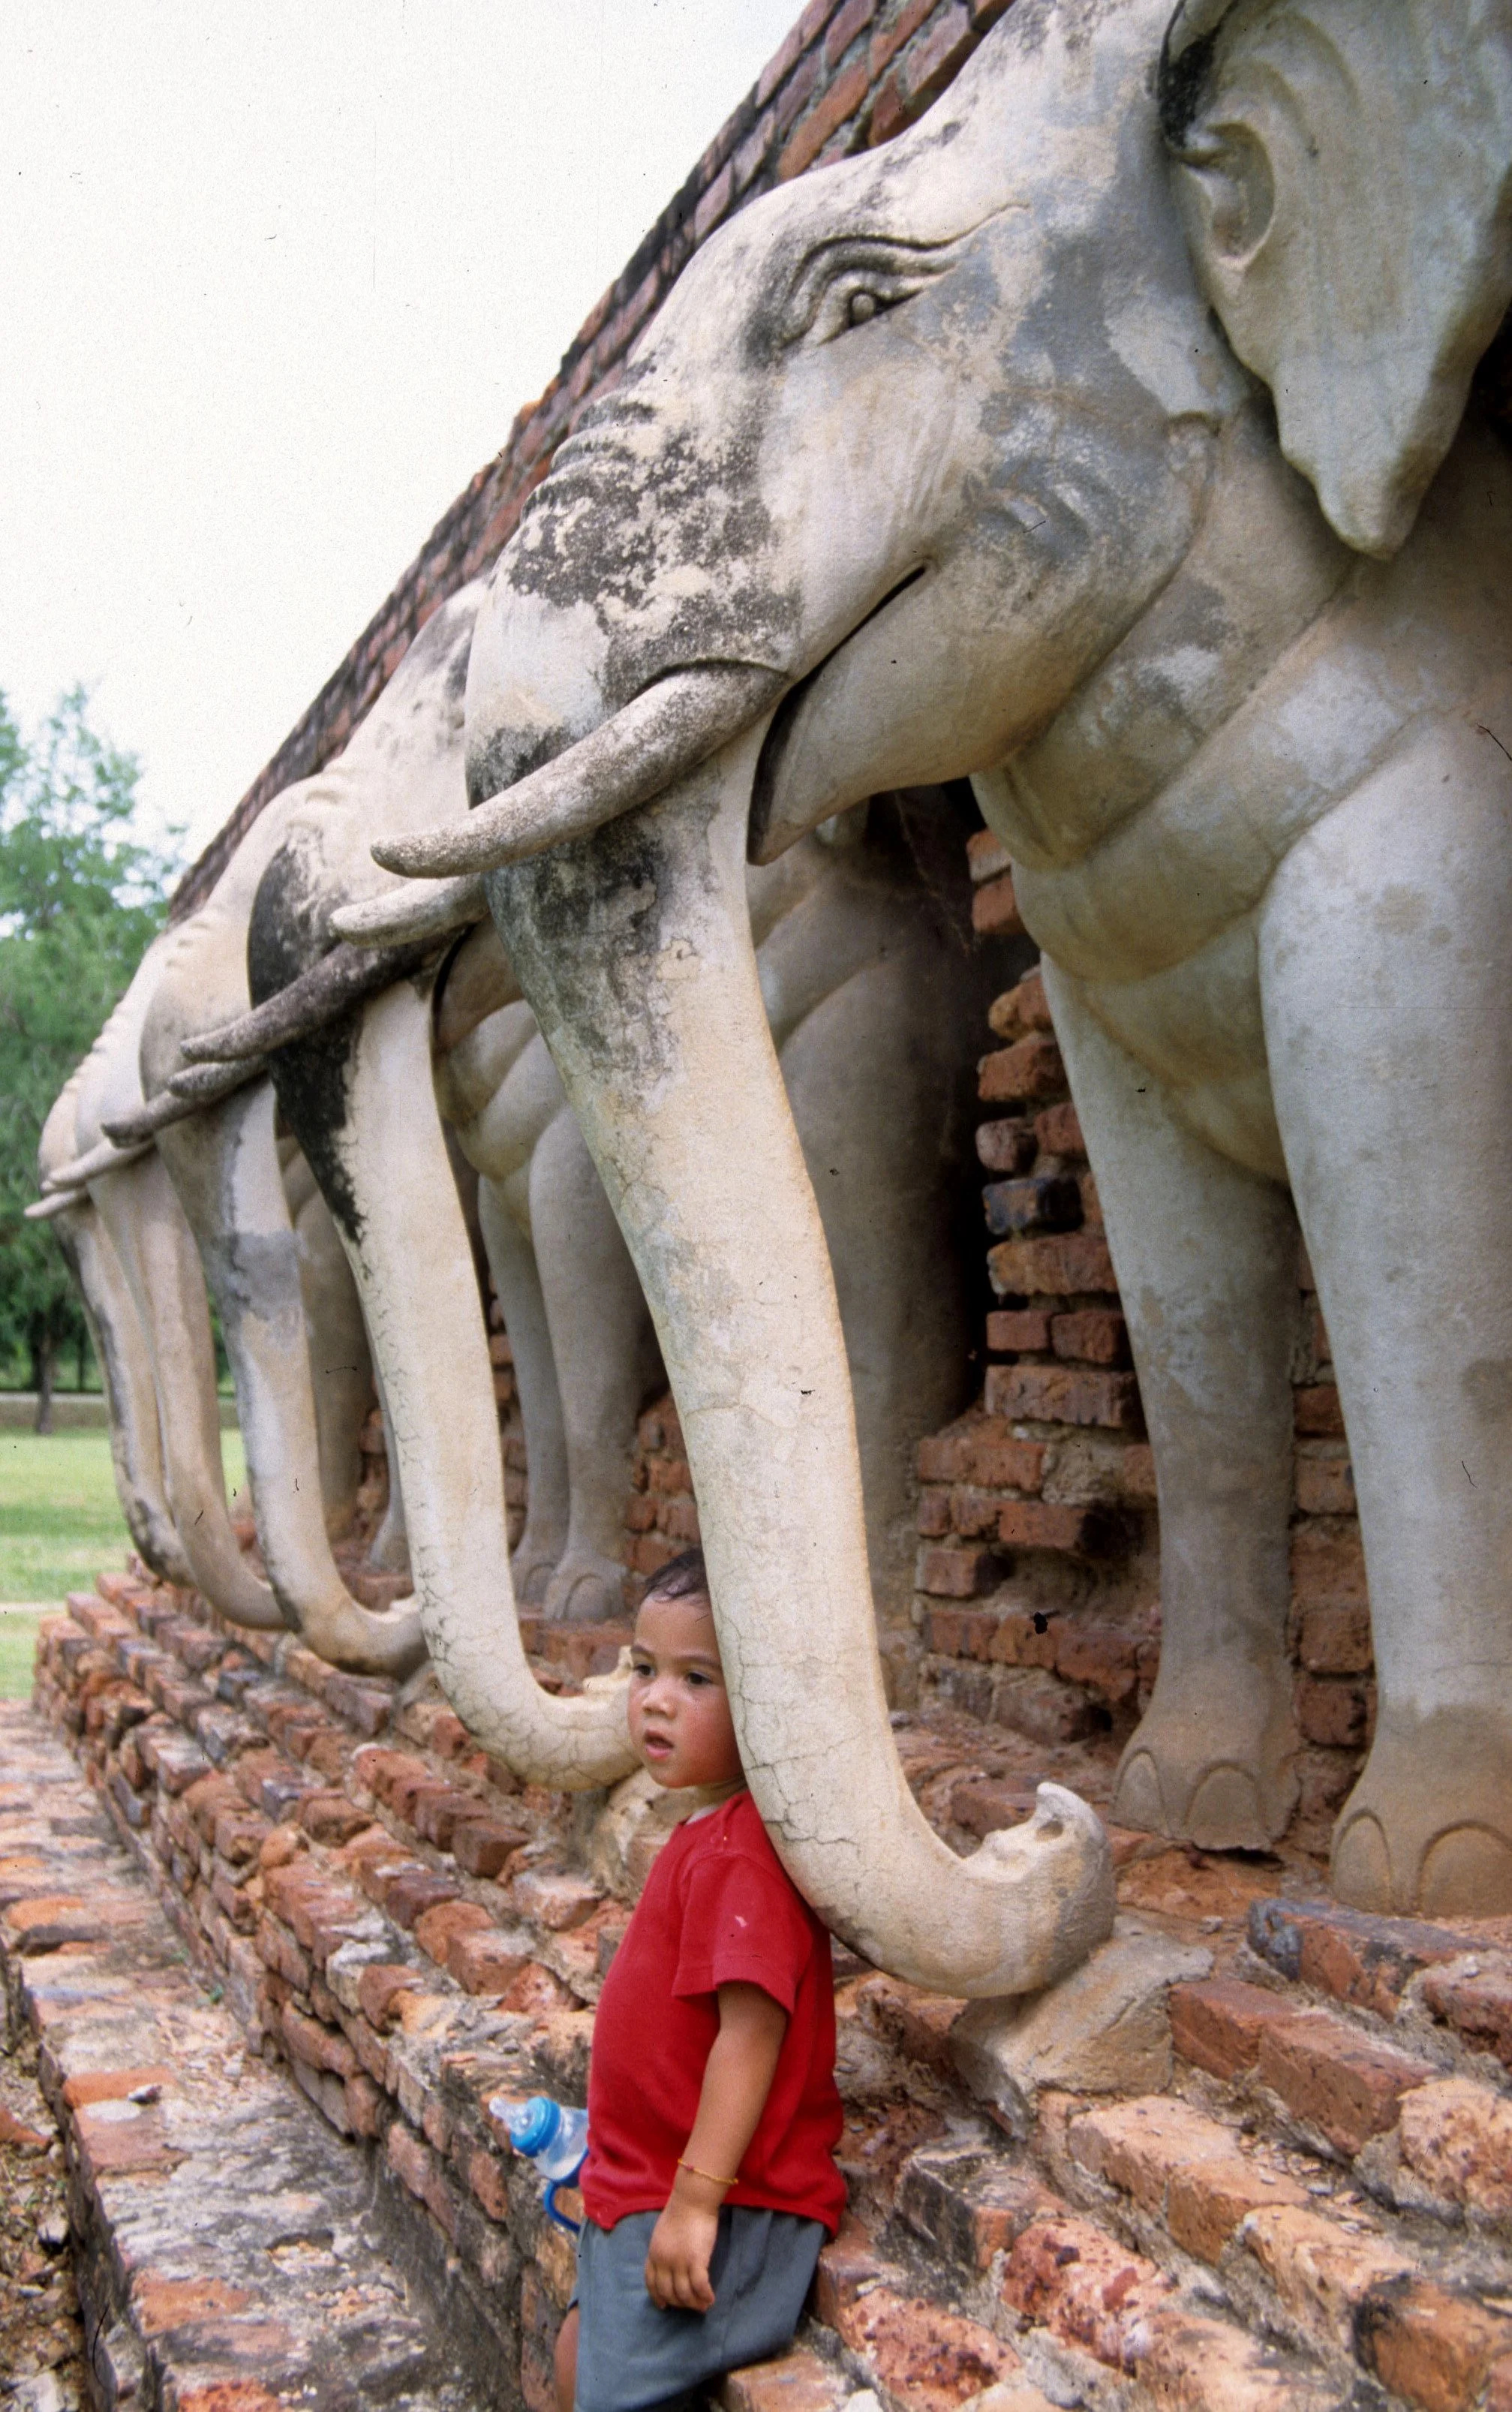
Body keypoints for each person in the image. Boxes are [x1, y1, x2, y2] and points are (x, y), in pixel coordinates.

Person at [555, 1546, 846, 2412]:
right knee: (577, 2362)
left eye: (696, 1679)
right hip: (649, 2182)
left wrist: (692, 2203)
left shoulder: (742, 1855)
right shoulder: (708, 1833)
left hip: (719, 2204)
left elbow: (750, 2036)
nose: (654, 1697)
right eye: (643, 1668)